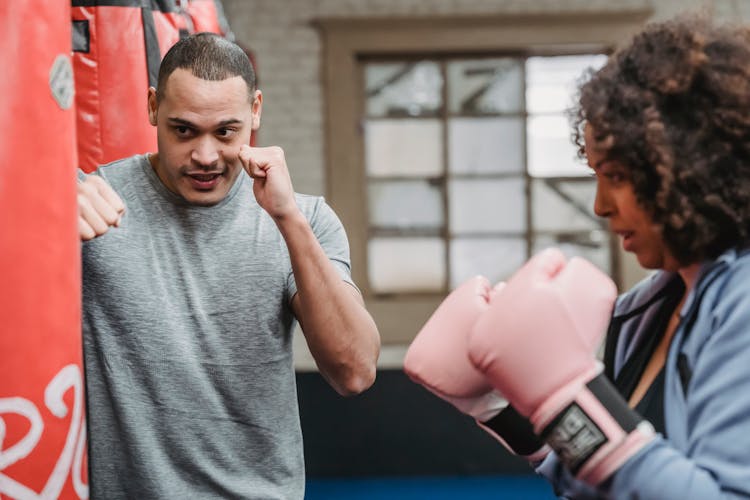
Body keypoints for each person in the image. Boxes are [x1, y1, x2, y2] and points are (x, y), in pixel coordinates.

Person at [406, 14, 750, 499]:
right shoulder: (643, 313)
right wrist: (502, 408)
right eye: (595, 176)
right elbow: (605, 481)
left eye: (617, 176)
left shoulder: (743, 305)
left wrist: (562, 395)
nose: (600, 205)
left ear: (691, 165)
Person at [76, 32, 380, 499]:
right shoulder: (91, 202)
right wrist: (37, 202)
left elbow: (354, 371)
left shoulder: (305, 219)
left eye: (225, 131)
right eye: (183, 130)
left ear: (255, 111)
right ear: (153, 107)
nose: (205, 156)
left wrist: (287, 219)